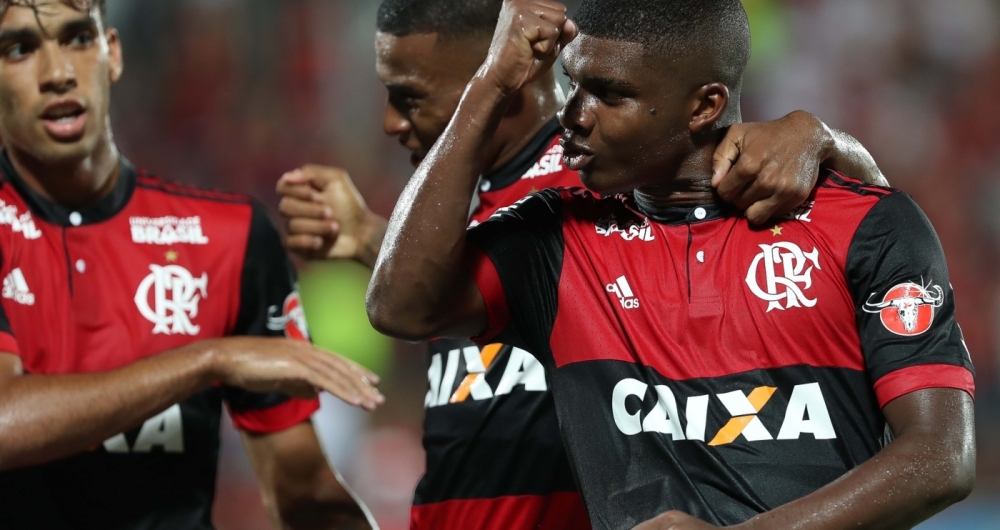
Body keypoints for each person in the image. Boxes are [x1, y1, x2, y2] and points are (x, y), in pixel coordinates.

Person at [277, 1, 892, 529]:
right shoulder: (469, 208)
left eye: (409, 96)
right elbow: (424, 301)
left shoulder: (607, 181)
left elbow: (863, 227)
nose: (390, 121)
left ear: (498, 74)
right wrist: (368, 239)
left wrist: (821, 138)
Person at [0, 2, 381, 529]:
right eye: (19, 49)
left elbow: (304, 493)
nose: (58, 74)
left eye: (77, 39)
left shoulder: (229, 238)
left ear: (111, 53)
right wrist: (208, 360)